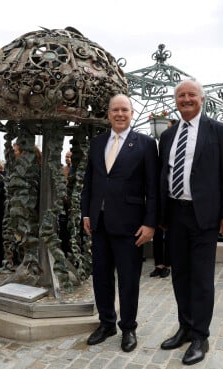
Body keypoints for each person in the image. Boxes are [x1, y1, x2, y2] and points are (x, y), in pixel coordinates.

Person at [158, 79, 223, 365]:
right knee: (179, 275)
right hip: (175, 215)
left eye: (191, 94)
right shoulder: (168, 136)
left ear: (201, 99)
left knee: (201, 278)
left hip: (204, 216)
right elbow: (163, 177)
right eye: (181, 95)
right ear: (175, 100)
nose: (186, 99)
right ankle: (185, 326)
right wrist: (161, 216)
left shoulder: (218, 131)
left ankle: (200, 336)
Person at [81, 94, 158, 353]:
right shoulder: (97, 143)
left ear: (132, 113)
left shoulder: (146, 144)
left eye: (124, 109)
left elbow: (153, 189)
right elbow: (89, 183)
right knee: (101, 277)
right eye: (115, 110)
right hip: (99, 224)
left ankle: (128, 328)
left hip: (130, 226)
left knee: (128, 280)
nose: (120, 114)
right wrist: (86, 213)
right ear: (109, 113)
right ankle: (106, 323)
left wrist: (150, 224)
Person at [150, 118, 177, 278]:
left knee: (171, 233)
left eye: (169, 128)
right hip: (160, 195)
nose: (165, 131)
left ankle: (167, 264)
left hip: (172, 197)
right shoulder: (163, 145)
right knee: (158, 232)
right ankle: (158, 264)